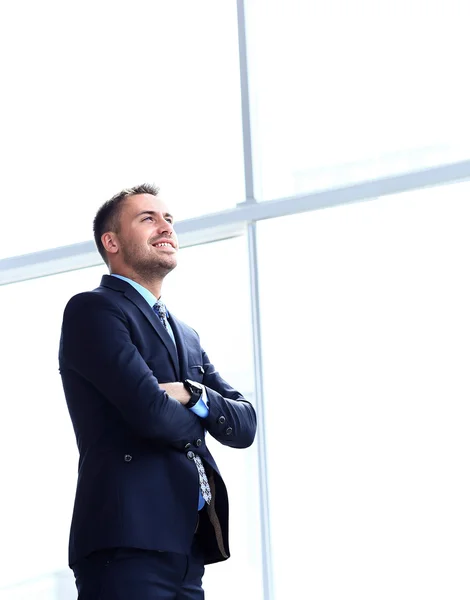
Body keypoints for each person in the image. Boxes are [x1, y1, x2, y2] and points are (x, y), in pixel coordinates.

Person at [58, 183, 257, 599]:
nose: (165, 226)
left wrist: (190, 392)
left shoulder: (186, 334)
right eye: (147, 218)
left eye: (168, 219)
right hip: (125, 544)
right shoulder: (93, 310)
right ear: (110, 242)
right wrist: (200, 412)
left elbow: (245, 425)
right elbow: (151, 412)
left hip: (186, 546)